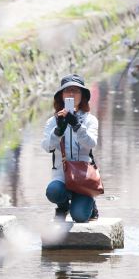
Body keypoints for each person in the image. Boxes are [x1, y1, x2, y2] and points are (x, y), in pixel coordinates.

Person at [41, 74, 100, 223]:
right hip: (62, 175)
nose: (72, 94)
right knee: (53, 191)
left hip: (83, 176)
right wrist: (58, 130)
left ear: (83, 96)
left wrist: (77, 125)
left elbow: (91, 143)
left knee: (80, 217)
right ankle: (62, 206)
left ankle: (90, 204)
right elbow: (47, 147)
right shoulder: (53, 121)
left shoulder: (90, 120)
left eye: (76, 91)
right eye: (67, 91)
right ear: (61, 96)